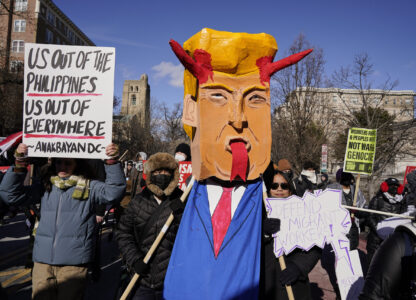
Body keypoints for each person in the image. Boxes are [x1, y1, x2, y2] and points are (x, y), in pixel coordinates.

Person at [163, 28, 312, 299]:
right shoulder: (187, 194)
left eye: (255, 99)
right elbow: (156, 240)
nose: (238, 119)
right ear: (192, 111)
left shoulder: (269, 195)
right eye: (218, 96)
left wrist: (272, 239)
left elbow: (310, 241)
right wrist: (169, 219)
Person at [0, 143, 126, 300]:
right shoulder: (45, 186)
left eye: (68, 163)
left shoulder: (90, 187)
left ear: (77, 165)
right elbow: (10, 195)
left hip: (73, 265)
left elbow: (114, 192)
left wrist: (112, 162)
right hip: (42, 263)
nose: (62, 167)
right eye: (59, 162)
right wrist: (19, 163)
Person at [115, 152, 184, 300]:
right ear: (150, 174)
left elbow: (192, 239)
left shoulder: (183, 201)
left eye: (167, 171)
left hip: (172, 281)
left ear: (174, 175)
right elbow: (123, 233)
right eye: (158, 171)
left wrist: (181, 216)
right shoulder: (138, 202)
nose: (162, 175)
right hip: (142, 280)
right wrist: (134, 260)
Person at [261, 169, 321, 300]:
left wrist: (298, 267)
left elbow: (315, 247)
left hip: (294, 286)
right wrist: (263, 232)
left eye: (284, 185)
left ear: (290, 189)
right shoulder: (257, 214)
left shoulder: (303, 212)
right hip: (267, 285)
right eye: (274, 186)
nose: (279, 189)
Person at [366, 177, 407, 264]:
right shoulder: (377, 200)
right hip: (376, 240)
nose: (394, 188)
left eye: (396, 186)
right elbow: (370, 217)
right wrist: (379, 229)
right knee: (373, 265)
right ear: (385, 187)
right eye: (391, 185)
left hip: (393, 239)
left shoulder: (401, 202)